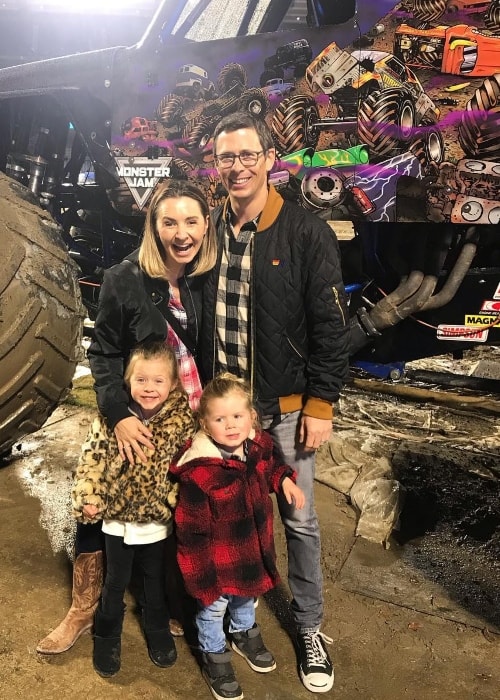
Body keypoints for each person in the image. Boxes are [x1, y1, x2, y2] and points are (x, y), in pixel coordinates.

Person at [199, 112, 350, 693]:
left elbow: (329, 327)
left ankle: (309, 626)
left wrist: (321, 404)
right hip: (224, 417)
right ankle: (235, 616)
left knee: (299, 520)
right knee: (230, 518)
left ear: (268, 158)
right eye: (226, 158)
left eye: (246, 156)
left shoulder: (305, 232)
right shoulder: (212, 228)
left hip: (284, 410)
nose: (236, 167)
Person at [37, 179, 217, 654]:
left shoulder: (209, 278)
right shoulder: (124, 277)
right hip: (132, 414)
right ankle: (83, 607)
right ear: (153, 227)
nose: (182, 233)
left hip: (187, 417)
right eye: (170, 222)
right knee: (99, 503)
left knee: (175, 505)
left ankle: (170, 599)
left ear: (206, 226)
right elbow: (104, 352)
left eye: (192, 221)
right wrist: (116, 415)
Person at [170, 373, 305, 700]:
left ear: (251, 418)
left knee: (248, 595)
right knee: (213, 610)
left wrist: (284, 479)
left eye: (237, 416)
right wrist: (200, 576)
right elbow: (191, 530)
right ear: (204, 423)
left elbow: (271, 466)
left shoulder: (257, 447)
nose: (230, 425)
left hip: (251, 550)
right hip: (215, 563)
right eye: (219, 418)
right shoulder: (200, 472)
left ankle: (243, 632)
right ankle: (214, 654)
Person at [72, 341, 195, 677]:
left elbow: (191, 463)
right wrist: (90, 496)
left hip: (156, 520)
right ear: (127, 381)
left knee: (153, 579)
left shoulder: (182, 421)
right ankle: (107, 631)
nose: (149, 388)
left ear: (172, 384)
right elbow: (92, 460)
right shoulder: (111, 417)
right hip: (115, 520)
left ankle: (156, 625)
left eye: (158, 381)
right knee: (115, 580)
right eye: (141, 380)